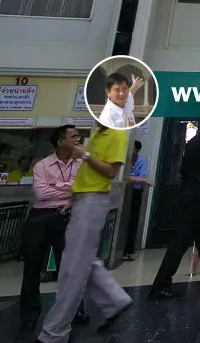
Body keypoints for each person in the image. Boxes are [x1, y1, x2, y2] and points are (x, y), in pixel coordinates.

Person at [35, 123, 132, 343]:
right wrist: (72, 198)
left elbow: (109, 172)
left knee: (73, 270)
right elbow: (86, 174)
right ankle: (115, 300)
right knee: (82, 260)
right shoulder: (98, 133)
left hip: (93, 201)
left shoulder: (116, 134)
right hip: (82, 200)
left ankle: (54, 332)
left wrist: (85, 155)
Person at [148, 118, 200, 299]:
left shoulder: (192, 141)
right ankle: (160, 284)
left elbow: (184, 169)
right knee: (181, 241)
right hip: (197, 197)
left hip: (188, 193)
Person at [19, 125, 87, 329]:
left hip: (67, 217)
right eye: (74, 136)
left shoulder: (83, 164)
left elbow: (85, 189)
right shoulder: (42, 166)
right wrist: (71, 189)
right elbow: (42, 194)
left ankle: (76, 310)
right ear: (60, 141)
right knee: (32, 267)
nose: (78, 140)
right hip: (40, 217)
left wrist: (60, 188)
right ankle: (29, 314)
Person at [122, 140, 151, 261]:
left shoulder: (142, 160)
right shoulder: (123, 158)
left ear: (137, 150)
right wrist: (138, 180)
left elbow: (141, 176)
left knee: (133, 220)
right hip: (123, 192)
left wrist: (135, 179)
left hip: (134, 193)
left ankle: (128, 249)